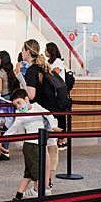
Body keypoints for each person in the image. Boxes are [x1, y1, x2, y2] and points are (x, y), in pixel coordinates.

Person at [3, 88, 59, 199]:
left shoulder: (37, 107)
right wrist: (2, 139)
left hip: (42, 144)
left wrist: (53, 126)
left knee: (29, 173)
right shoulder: (19, 113)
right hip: (31, 146)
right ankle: (40, 194)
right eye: (16, 105)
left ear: (27, 99)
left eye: (19, 103)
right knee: (38, 174)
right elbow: (13, 128)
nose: (18, 107)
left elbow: (48, 114)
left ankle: (19, 196)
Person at [20, 38, 61, 186]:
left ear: (29, 52)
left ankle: (41, 186)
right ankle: (46, 184)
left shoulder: (32, 71)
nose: (22, 52)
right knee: (48, 149)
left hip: (39, 114)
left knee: (41, 151)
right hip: (49, 112)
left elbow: (30, 95)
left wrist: (22, 87)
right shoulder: (43, 68)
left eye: (23, 49)